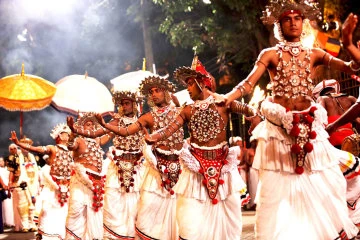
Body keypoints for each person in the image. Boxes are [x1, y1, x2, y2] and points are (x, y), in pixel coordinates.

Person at [212, 1, 360, 238]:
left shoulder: (315, 54)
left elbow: (353, 66)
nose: (293, 22)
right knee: (278, 193)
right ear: (279, 25)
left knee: (323, 184)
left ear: (303, 23)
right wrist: (229, 97)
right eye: (287, 19)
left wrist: (348, 43)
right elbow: (248, 83)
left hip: (311, 129)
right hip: (279, 132)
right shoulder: (269, 54)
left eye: (298, 18)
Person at [145, 56, 256, 239]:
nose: (187, 89)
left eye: (189, 84)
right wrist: (153, 137)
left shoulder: (223, 103)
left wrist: (255, 121)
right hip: (195, 170)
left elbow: (249, 110)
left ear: (200, 83)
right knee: (189, 221)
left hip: (223, 168)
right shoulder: (187, 110)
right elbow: (169, 129)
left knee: (228, 223)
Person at [96, 76, 184, 240]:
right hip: (138, 169)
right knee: (143, 210)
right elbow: (117, 134)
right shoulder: (142, 118)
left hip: (164, 168)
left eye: (157, 90)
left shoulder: (178, 112)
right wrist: (101, 127)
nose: (154, 94)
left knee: (175, 210)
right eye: (151, 92)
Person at [9, 123, 73, 240]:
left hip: (67, 187)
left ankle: (62, 236)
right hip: (53, 188)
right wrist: (18, 143)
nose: (68, 136)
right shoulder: (52, 148)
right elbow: (36, 149)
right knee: (49, 211)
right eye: (65, 134)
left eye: (68, 134)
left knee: (65, 213)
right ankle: (48, 235)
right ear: (59, 136)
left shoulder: (71, 150)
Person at [65, 112, 109, 240]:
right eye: (87, 124)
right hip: (80, 181)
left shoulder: (97, 141)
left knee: (95, 211)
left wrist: (117, 119)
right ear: (81, 127)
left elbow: (111, 133)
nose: (90, 127)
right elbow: (70, 146)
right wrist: (72, 133)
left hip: (96, 182)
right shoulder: (78, 140)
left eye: (92, 125)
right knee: (76, 209)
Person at [313, 79, 358, 148]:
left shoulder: (322, 98)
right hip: (351, 139)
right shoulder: (350, 98)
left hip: (333, 138)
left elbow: (319, 115)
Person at [6, 140, 38, 233]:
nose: (26, 148)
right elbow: (11, 172)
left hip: (33, 184)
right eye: (24, 146)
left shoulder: (32, 156)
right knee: (22, 205)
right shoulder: (14, 157)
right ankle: (25, 225)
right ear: (21, 146)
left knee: (32, 205)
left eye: (28, 146)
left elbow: (36, 171)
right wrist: (9, 183)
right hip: (21, 184)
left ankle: (32, 224)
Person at [0, 156, 14, 228]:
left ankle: (10, 221)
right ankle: (4, 221)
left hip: (9, 186)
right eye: (0, 161)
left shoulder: (8, 169)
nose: (1, 162)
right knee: (3, 206)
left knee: (9, 205)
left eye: (2, 161)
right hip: (2, 188)